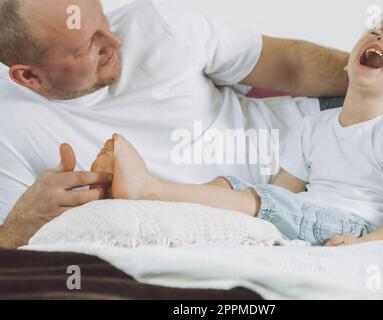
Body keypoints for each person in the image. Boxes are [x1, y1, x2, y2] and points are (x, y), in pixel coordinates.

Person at [0, 0, 350, 248]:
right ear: (28, 76)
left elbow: (291, 65)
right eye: (87, 46)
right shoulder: (9, 129)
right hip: (297, 212)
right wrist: (18, 227)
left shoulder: (154, 22)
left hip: (332, 129)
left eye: (103, 20)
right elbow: (9, 247)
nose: (115, 41)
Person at [89, 17, 383, 247]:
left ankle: (148, 189)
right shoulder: (314, 126)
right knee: (233, 187)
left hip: (350, 227)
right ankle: (157, 213)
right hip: (304, 215)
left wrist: (363, 246)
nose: (382, 37)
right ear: (347, 62)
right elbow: (282, 189)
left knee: (259, 202)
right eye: (376, 32)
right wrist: (250, 198)